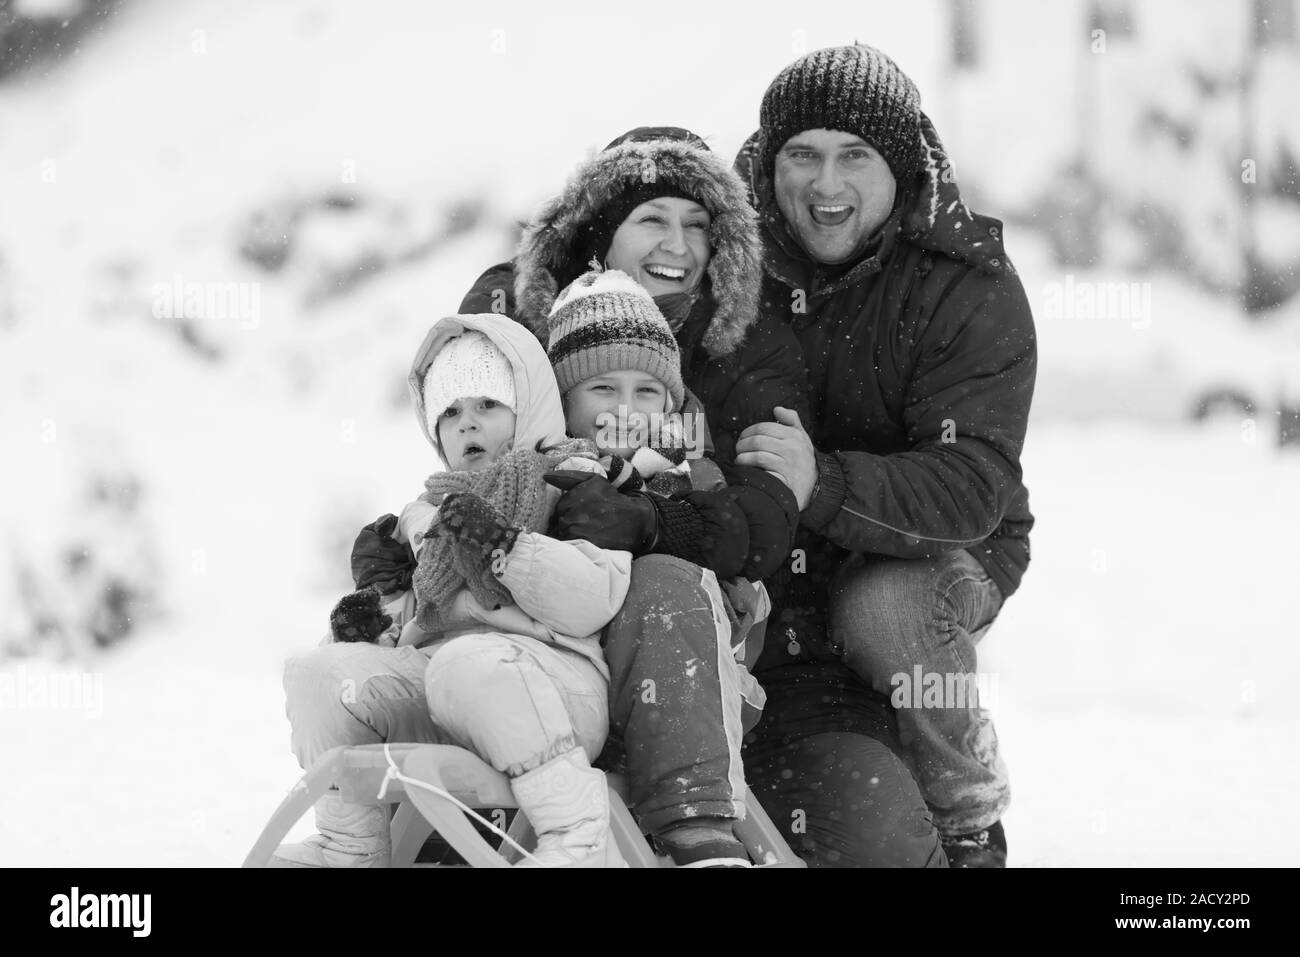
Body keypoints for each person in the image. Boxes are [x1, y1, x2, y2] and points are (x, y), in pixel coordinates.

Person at [460, 127, 947, 867]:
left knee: (880, 829)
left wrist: (656, 521)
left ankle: (700, 828)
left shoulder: (750, 343)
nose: (679, 246)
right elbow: (469, 462)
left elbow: (765, 513)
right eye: (654, 220)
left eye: (698, 226)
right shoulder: (517, 321)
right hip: (537, 634)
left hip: (742, 653)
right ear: (599, 232)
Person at [730, 44, 1038, 867]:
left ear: (899, 166)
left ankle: (967, 815)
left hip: (945, 549)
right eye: (803, 156)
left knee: (884, 609)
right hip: (773, 565)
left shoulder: (964, 281)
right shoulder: (734, 256)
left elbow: (970, 486)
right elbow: (608, 262)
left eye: (853, 157)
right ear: (769, 165)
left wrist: (821, 482)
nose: (825, 187)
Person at [275, 313, 632, 867]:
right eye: (450, 412)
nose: (468, 425)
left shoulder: (576, 485)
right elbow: (410, 622)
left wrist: (504, 546)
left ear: (528, 406)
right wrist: (368, 623)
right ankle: (350, 846)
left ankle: (576, 836)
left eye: (488, 404)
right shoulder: (426, 518)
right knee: (318, 671)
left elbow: (593, 598)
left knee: (466, 664)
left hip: (553, 686)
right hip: (443, 688)